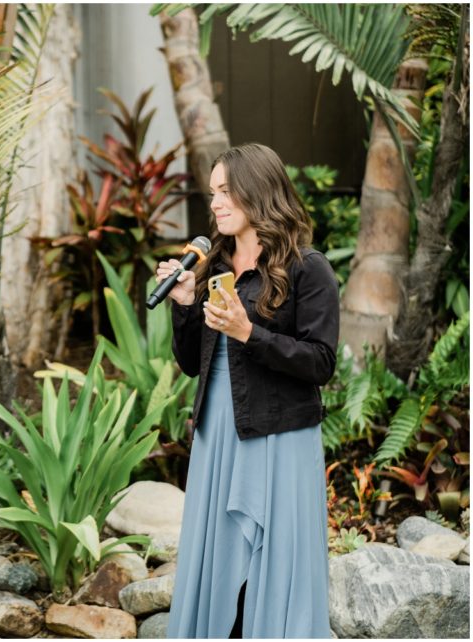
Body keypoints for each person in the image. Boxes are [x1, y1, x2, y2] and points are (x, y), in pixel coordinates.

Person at [158, 143, 338, 638]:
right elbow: (191, 364)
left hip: (280, 436)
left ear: (258, 192)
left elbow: (321, 363)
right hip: (218, 431)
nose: (214, 203)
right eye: (211, 193)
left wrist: (249, 333)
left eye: (225, 191)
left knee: (273, 558)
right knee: (218, 557)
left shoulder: (307, 268)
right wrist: (184, 303)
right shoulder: (214, 264)